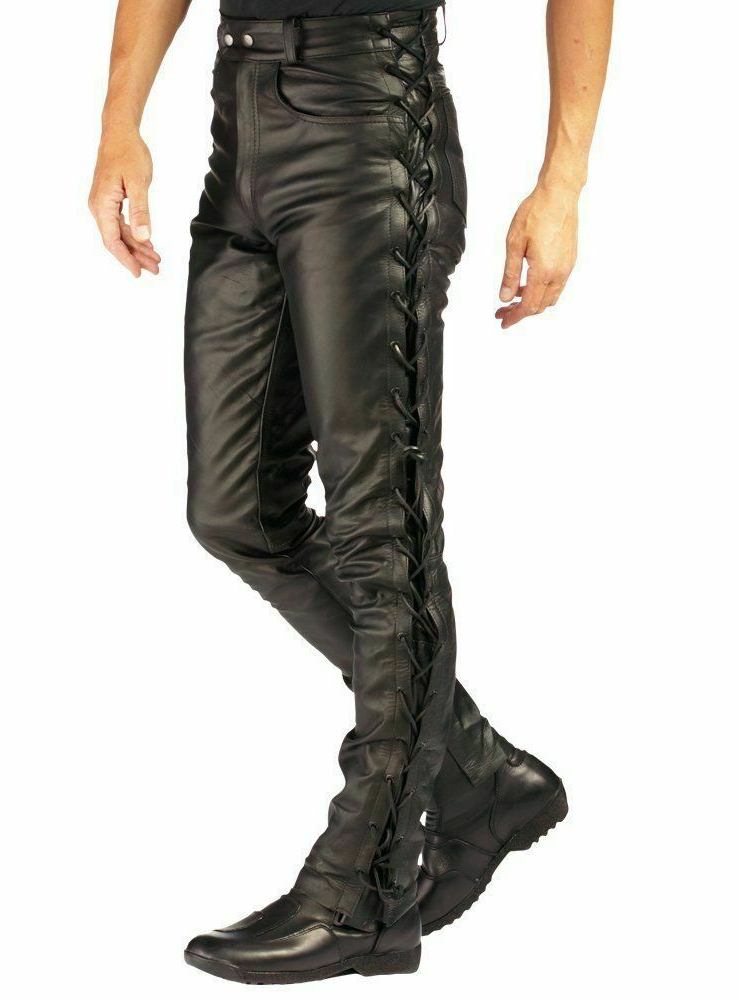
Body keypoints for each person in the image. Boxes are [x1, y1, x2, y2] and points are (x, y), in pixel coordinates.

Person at [89, 0, 612, 984]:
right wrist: (121, 119)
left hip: (370, 123)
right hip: (241, 129)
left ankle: (363, 893)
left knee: (384, 529)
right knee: (235, 510)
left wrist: (562, 181)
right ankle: (477, 772)